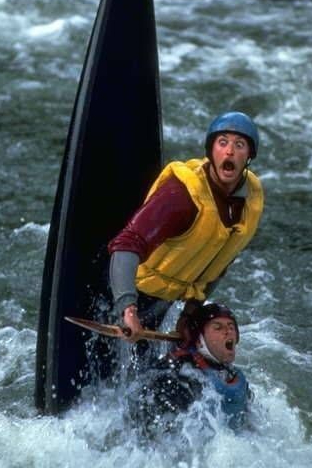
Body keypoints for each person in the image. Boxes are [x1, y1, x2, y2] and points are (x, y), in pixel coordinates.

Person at [108, 111, 264, 340]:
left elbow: (219, 262)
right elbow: (126, 246)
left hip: (166, 300)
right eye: (222, 143)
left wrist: (189, 314)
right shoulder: (181, 195)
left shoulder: (248, 201)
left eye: (239, 145)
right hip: (123, 290)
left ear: (249, 156)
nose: (230, 151)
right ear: (211, 151)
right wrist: (128, 309)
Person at [127, 301, 252, 437]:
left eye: (231, 327)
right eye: (218, 328)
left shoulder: (230, 374)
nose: (228, 332)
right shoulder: (176, 376)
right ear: (199, 340)